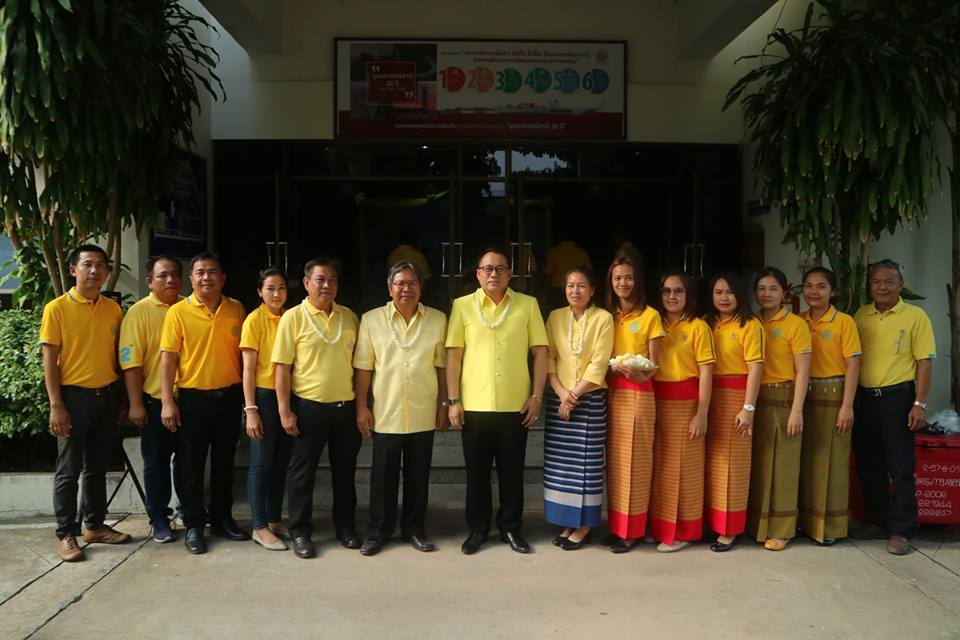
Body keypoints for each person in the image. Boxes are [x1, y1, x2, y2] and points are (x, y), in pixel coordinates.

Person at [446, 246, 548, 555]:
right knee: (476, 474)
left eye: (500, 268)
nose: (494, 274)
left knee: (512, 473)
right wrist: (453, 400)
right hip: (474, 406)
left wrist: (536, 396)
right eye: (487, 269)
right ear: (478, 274)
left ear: (510, 274)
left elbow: (540, 352)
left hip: (515, 406)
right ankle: (478, 529)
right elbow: (454, 355)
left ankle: (510, 528)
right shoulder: (462, 306)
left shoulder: (527, 305)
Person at [41, 244, 131, 561]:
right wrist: (56, 405)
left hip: (105, 396)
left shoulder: (113, 309)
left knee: (96, 467)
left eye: (100, 265)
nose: (94, 271)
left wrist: (122, 397)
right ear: (73, 270)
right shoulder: (57, 309)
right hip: (73, 398)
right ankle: (66, 533)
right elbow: (49, 361)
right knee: (68, 470)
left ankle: (94, 526)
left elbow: (117, 357)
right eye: (87, 265)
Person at [354, 261, 448, 556]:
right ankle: (378, 532)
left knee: (418, 476)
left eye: (412, 283)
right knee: (383, 478)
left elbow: (442, 367)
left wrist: (444, 403)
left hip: (423, 411)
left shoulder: (437, 319)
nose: (406, 288)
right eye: (400, 283)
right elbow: (364, 368)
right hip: (387, 412)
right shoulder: (371, 320)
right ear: (389, 288)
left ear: (421, 287)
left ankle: (414, 530)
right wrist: (361, 406)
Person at [272, 257, 361, 559]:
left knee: (345, 473)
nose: (326, 285)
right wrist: (285, 410)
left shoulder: (349, 317)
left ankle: (346, 528)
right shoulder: (293, 318)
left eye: (332, 280)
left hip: (344, 408)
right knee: (302, 475)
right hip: (308, 408)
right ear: (307, 283)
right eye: (320, 280)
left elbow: (359, 366)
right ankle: (300, 531)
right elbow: (282, 368)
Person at [160, 251, 248, 554]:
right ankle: (194, 525)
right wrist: (167, 402)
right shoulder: (178, 313)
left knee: (225, 462)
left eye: (212, 272)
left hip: (229, 397)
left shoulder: (236, 308)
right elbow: (168, 360)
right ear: (191, 279)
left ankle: (222, 519)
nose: (206, 277)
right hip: (193, 399)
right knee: (191, 465)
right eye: (200, 272)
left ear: (223, 278)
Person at [852, 259, 936, 556]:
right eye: (877, 282)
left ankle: (902, 530)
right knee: (869, 465)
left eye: (889, 281)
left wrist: (919, 404)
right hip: (865, 400)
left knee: (900, 468)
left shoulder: (915, 316)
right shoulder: (861, 315)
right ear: (870, 286)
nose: (883, 287)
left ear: (901, 285)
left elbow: (924, 362)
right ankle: (879, 521)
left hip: (898, 399)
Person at [543, 266, 614, 550]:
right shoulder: (555, 317)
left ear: (592, 290)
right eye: (570, 285)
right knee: (561, 466)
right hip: (558, 398)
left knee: (587, 465)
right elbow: (549, 358)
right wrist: (562, 393)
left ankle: (585, 525)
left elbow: (600, 362)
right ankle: (567, 520)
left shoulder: (604, 318)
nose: (575, 291)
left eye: (581, 285)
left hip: (590, 399)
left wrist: (573, 396)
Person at [119, 255, 184, 544]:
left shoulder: (188, 307)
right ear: (149, 281)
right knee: (156, 464)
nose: (170, 280)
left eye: (175, 275)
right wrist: (135, 404)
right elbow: (131, 363)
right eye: (163, 275)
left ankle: (188, 511)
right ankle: (158, 517)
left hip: (188, 400)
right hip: (155, 401)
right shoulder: (139, 313)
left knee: (187, 462)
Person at [649, 270, 715, 552]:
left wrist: (702, 412)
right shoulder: (655, 322)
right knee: (661, 468)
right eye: (666, 291)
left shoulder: (698, 327)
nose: (672, 296)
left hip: (687, 404)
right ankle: (660, 527)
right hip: (657, 401)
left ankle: (684, 532)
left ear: (689, 295)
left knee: (685, 469)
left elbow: (707, 372)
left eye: (678, 291)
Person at [604, 244, 664, 553]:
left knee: (636, 462)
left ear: (637, 280)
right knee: (616, 462)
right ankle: (617, 526)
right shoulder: (607, 315)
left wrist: (638, 374)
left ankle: (633, 530)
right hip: (612, 393)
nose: (623, 283)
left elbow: (654, 365)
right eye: (617, 278)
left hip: (639, 392)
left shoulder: (651, 315)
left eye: (628, 278)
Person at [746, 266, 811, 551]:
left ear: (784, 293)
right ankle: (757, 526)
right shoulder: (751, 322)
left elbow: (804, 371)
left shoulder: (796, 325)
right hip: (756, 399)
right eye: (761, 289)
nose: (767, 294)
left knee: (784, 466)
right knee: (759, 465)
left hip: (784, 397)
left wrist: (797, 409)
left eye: (773, 289)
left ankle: (782, 529)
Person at [799, 267, 861, 545]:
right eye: (809, 286)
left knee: (832, 461)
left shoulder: (844, 322)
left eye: (821, 286)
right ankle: (805, 522)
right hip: (804, 395)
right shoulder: (798, 321)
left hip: (834, 394)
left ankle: (830, 527)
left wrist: (847, 405)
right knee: (806, 461)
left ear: (833, 291)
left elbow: (853, 365)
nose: (814, 291)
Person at [704, 272, 764, 552]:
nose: (724, 298)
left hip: (736, 397)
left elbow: (756, 368)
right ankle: (712, 523)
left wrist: (748, 407)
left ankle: (729, 529)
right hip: (709, 396)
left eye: (729, 292)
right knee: (712, 464)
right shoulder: (707, 323)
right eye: (718, 292)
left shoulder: (750, 325)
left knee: (733, 465)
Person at [240, 267, 290, 551]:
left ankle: (274, 519)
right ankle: (258, 527)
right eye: (270, 288)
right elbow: (248, 369)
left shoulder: (290, 317)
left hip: (288, 396)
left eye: (281, 287)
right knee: (261, 464)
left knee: (280, 462)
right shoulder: (254, 320)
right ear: (260, 291)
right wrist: (251, 409)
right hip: (264, 397)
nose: (276, 293)